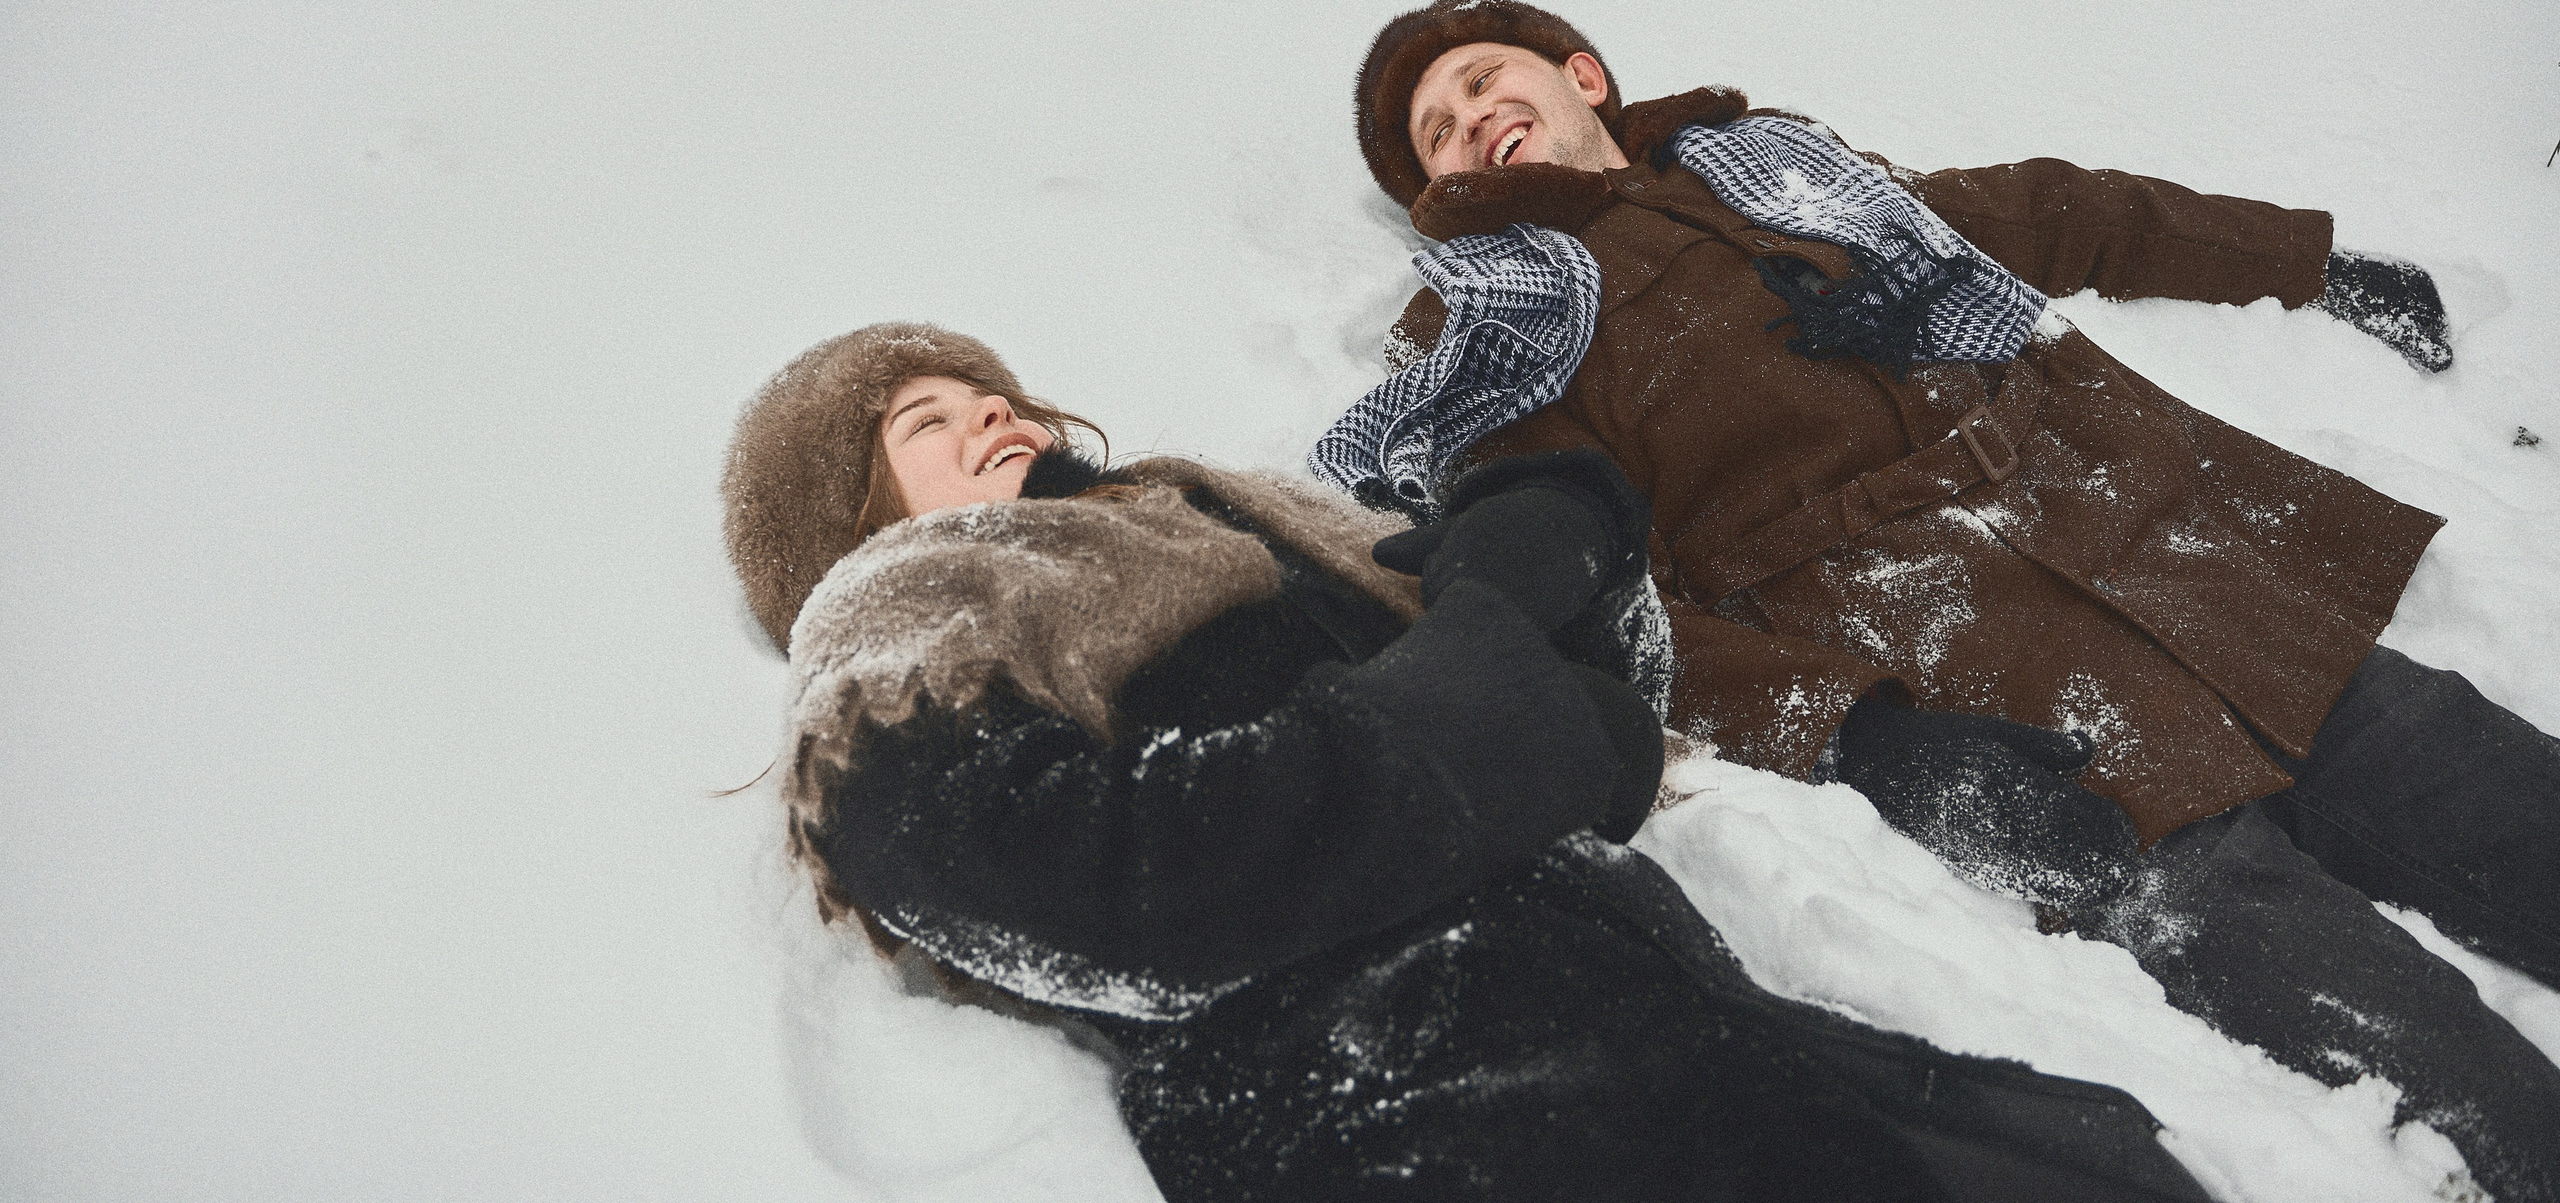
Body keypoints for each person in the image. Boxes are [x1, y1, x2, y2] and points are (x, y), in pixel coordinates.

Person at [1320, 0, 2560, 1201]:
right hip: (2016, 709)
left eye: (1480, 79)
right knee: (2437, 1064)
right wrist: (1861, 733)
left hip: (2193, 580)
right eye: (1435, 134)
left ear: (1578, 76)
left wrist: (2307, 260)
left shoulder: (1782, 168)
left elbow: (2055, 211)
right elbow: (1588, 584)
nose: (1469, 120)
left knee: (2500, 796)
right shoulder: (1480, 333)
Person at [721, 321, 2214, 1203]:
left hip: (1649, 1008)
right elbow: (1064, 880)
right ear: (840, 518)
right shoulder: (904, 601)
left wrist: (1566, 553)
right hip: (1403, 1098)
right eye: (926, 419)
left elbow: (1576, 710)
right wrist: (1464, 713)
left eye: (992, 389)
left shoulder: (1224, 509)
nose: (992, 409)